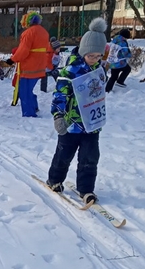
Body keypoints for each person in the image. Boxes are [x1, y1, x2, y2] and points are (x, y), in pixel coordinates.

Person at [46, 17, 108, 205]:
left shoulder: (99, 70)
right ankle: (55, 180)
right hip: (71, 124)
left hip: (91, 125)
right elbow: (60, 94)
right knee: (63, 155)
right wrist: (58, 115)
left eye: (98, 56)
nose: (95, 60)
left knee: (90, 158)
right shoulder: (70, 70)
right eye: (91, 56)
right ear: (83, 52)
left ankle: (86, 189)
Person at [5, 11, 51, 117]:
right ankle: (34, 106)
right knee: (29, 89)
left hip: (29, 66)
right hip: (40, 65)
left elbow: (23, 51)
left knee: (24, 92)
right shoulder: (44, 32)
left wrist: (12, 59)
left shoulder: (28, 33)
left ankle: (29, 113)